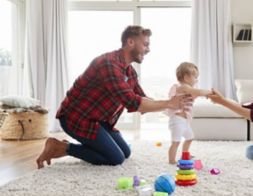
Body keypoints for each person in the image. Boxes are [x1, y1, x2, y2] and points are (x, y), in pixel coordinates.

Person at [36, 25, 192, 169]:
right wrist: (169, 103)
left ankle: (85, 146)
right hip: (76, 118)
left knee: (125, 153)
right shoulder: (109, 64)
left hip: (99, 120)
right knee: (115, 158)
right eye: (145, 44)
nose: (148, 49)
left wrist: (172, 106)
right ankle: (63, 148)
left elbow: (142, 99)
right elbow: (134, 102)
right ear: (130, 42)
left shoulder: (129, 71)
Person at [165, 62, 212, 164]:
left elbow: (196, 94)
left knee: (189, 138)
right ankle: (171, 160)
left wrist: (205, 95)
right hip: (177, 120)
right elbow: (198, 92)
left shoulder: (188, 90)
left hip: (184, 121)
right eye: (195, 77)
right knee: (176, 142)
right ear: (186, 77)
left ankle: (185, 154)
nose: (197, 80)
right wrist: (209, 92)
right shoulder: (182, 87)